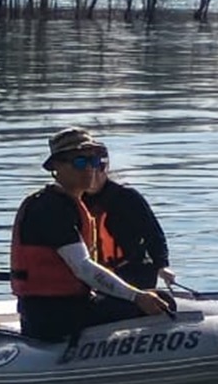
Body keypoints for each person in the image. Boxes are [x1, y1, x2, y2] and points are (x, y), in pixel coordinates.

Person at [10, 127, 173, 342]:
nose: (90, 169)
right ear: (57, 166)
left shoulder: (70, 204)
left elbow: (153, 235)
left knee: (159, 298)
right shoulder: (50, 209)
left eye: (95, 162)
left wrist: (159, 267)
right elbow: (83, 267)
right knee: (161, 302)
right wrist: (137, 296)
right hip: (51, 316)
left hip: (71, 305)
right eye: (79, 162)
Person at [82, 144, 174, 291]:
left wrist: (162, 266)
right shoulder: (75, 200)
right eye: (87, 171)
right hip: (95, 273)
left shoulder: (127, 197)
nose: (93, 176)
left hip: (132, 272)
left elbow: (153, 234)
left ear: (105, 169)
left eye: (98, 169)